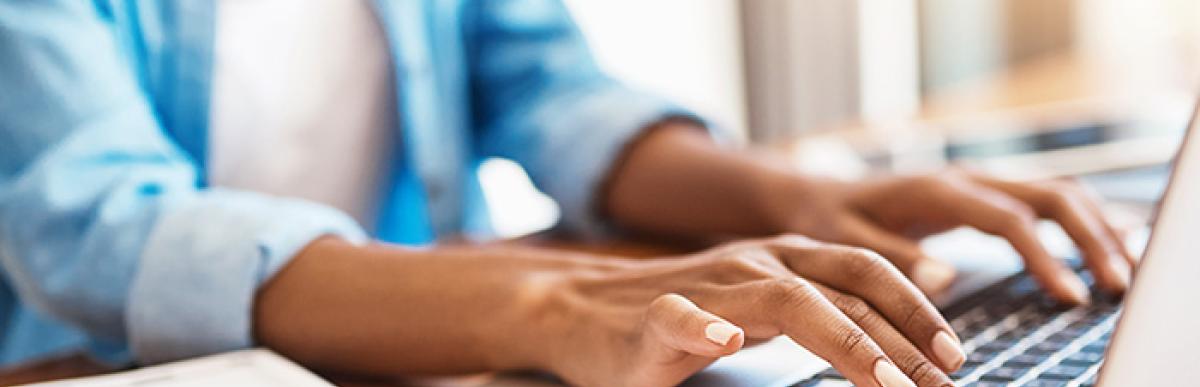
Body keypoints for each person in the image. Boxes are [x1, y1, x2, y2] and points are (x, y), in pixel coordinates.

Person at [0, 1, 1136, 386]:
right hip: (120, 362)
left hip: (423, 349)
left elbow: (543, 84)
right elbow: (97, 224)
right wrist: (548, 304)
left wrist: (791, 196)